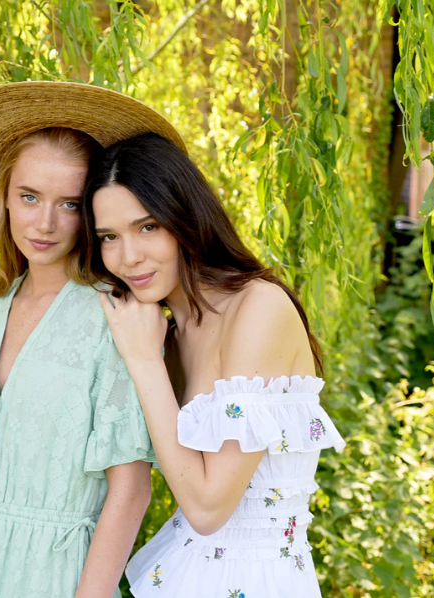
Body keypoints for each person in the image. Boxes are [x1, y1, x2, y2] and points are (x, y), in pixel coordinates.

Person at [0, 82, 186, 598]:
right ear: (4, 197)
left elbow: (131, 490)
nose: (44, 223)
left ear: (89, 213)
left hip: (53, 573)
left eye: (68, 204)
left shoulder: (116, 317)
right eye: (29, 197)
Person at [84, 132, 347, 597]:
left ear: (184, 216)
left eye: (148, 227)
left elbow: (208, 509)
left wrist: (143, 360)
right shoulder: (166, 333)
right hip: (186, 574)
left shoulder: (258, 308)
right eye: (109, 237)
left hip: (258, 580)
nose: (129, 257)